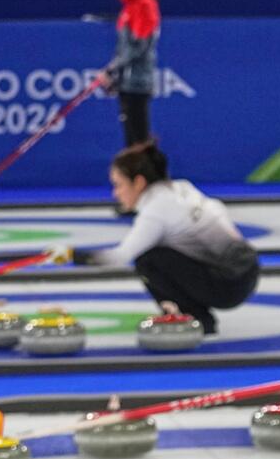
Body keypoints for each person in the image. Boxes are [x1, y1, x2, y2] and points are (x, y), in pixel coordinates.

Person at [85, 142, 260, 336]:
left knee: (147, 260)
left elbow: (118, 257)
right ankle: (192, 315)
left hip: (228, 285)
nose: (115, 193)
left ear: (139, 182)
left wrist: (69, 255)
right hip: (249, 270)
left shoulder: (155, 210)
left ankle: (197, 319)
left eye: (119, 185)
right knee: (160, 250)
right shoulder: (181, 187)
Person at [105, 0, 162, 150]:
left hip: (137, 83)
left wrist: (111, 69)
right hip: (127, 82)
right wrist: (115, 75)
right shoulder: (130, 6)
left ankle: (148, 178)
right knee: (133, 142)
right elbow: (125, 48)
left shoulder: (145, 5)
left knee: (138, 143)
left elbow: (139, 47)